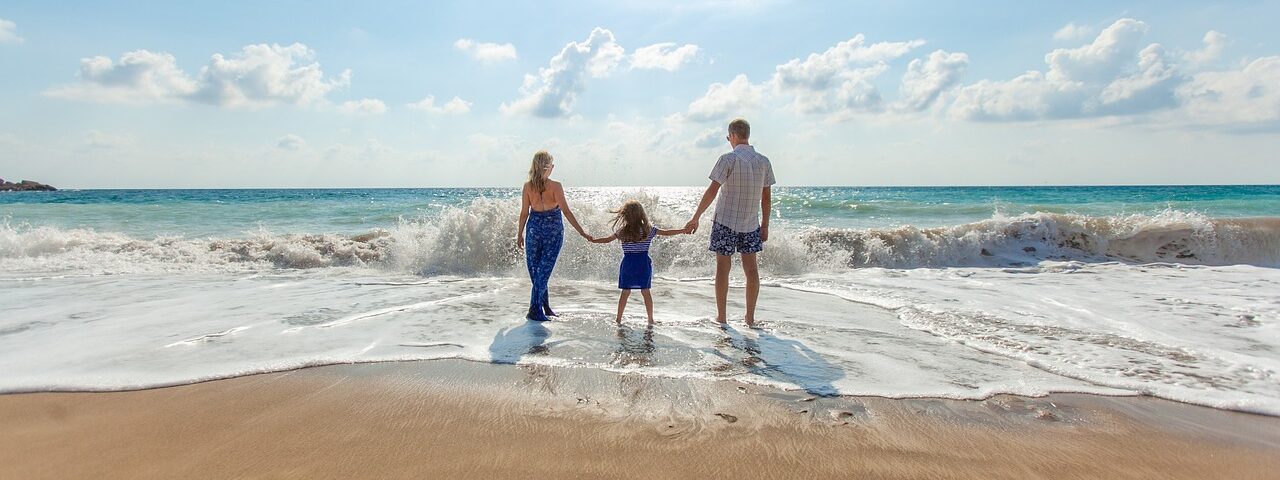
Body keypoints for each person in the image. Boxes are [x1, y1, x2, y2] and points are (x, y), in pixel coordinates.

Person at [683, 118, 776, 328]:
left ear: (732, 136)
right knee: (751, 270)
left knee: (722, 269)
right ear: (748, 135)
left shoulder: (728, 159)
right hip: (751, 223)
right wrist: (766, 225)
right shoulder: (763, 161)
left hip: (725, 221)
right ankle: (750, 318)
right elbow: (766, 198)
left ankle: (722, 317)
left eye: (728, 137)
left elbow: (712, 191)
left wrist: (696, 216)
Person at [516, 150, 590, 322]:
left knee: (538, 272)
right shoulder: (555, 186)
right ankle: (535, 309)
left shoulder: (528, 186)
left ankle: (545, 306)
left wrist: (520, 233)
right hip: (552, 231)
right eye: (552, 165)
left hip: (534, 229)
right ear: (548, 167)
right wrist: (582, 231)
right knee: (541, 272)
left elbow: (524, 214)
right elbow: (566, 211)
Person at [587, 200, 689, 324]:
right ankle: (650, 319)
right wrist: (683, 230)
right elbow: (666, 232)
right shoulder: (648, 230)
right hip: (643, 264)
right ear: (641, 214)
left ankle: (618, 319)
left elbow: (607, 240)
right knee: (646, 292)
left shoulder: (623, 231)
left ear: (625, 215)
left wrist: (593, 240)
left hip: (628, 264)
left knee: (625, 292)